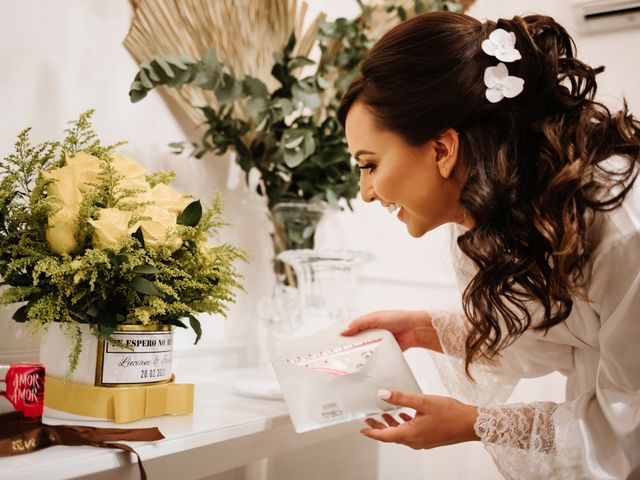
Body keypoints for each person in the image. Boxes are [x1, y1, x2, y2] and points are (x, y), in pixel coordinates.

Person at [337, 11, 640, 480]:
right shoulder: (494, 211)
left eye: (370, 164)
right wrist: (424, 331)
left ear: (442, 150)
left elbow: (632, 430)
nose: (366, 192)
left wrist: (477, 423)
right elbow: (558, 337)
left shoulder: (623, 229)